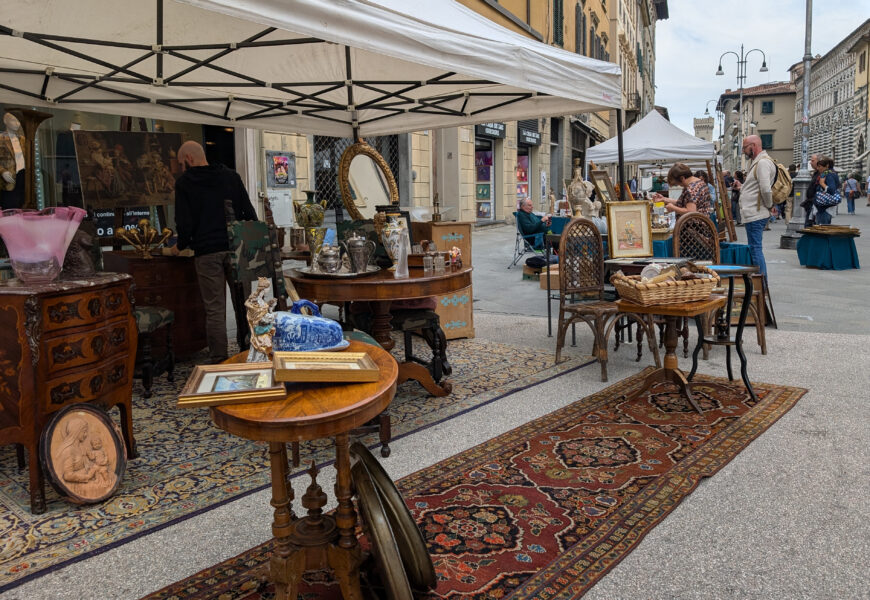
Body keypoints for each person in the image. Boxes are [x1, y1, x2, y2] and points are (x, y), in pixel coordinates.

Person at [171, 140, 258, 363]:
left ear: (189, 159)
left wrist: (179, 246)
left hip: (207, 253)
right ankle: (248, 351)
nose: (181, 168)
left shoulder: (185, 183)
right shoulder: (231, 177)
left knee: (215, 310)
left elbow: (185, 223)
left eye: (182, 163)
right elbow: (249, 214)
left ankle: (220, 359)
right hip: (237, 250)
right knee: (245, 305)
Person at [738, 135, 777, 279]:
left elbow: (766, 189)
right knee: (755, 249)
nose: (743, 151)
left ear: (753, 146)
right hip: (753, 212)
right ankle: (761, 282)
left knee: (756, 250)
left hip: (756, 212)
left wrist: (769, 205)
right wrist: (742, 187)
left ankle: (761, 283)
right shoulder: (758, 162)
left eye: (744, 148)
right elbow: (757, 187)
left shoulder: (762, 163)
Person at [0, 112, 26, 209]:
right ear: (5, 121)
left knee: (23, 205)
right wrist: (2, 171)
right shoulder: (1, 139)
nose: (17, 123)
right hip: (9, 178)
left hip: (24, 176)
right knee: (10, 206)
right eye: (14, 120)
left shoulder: (23, 139)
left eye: (19, 121)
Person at [812, 156, 839, 225]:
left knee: (822, 229)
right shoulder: (831, 173)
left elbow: (832, 190)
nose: (818, 168)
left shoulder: (828, 174)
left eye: (820, 166)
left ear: (826, 166)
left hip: (824, 208)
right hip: (824, 207)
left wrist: (822, 184)